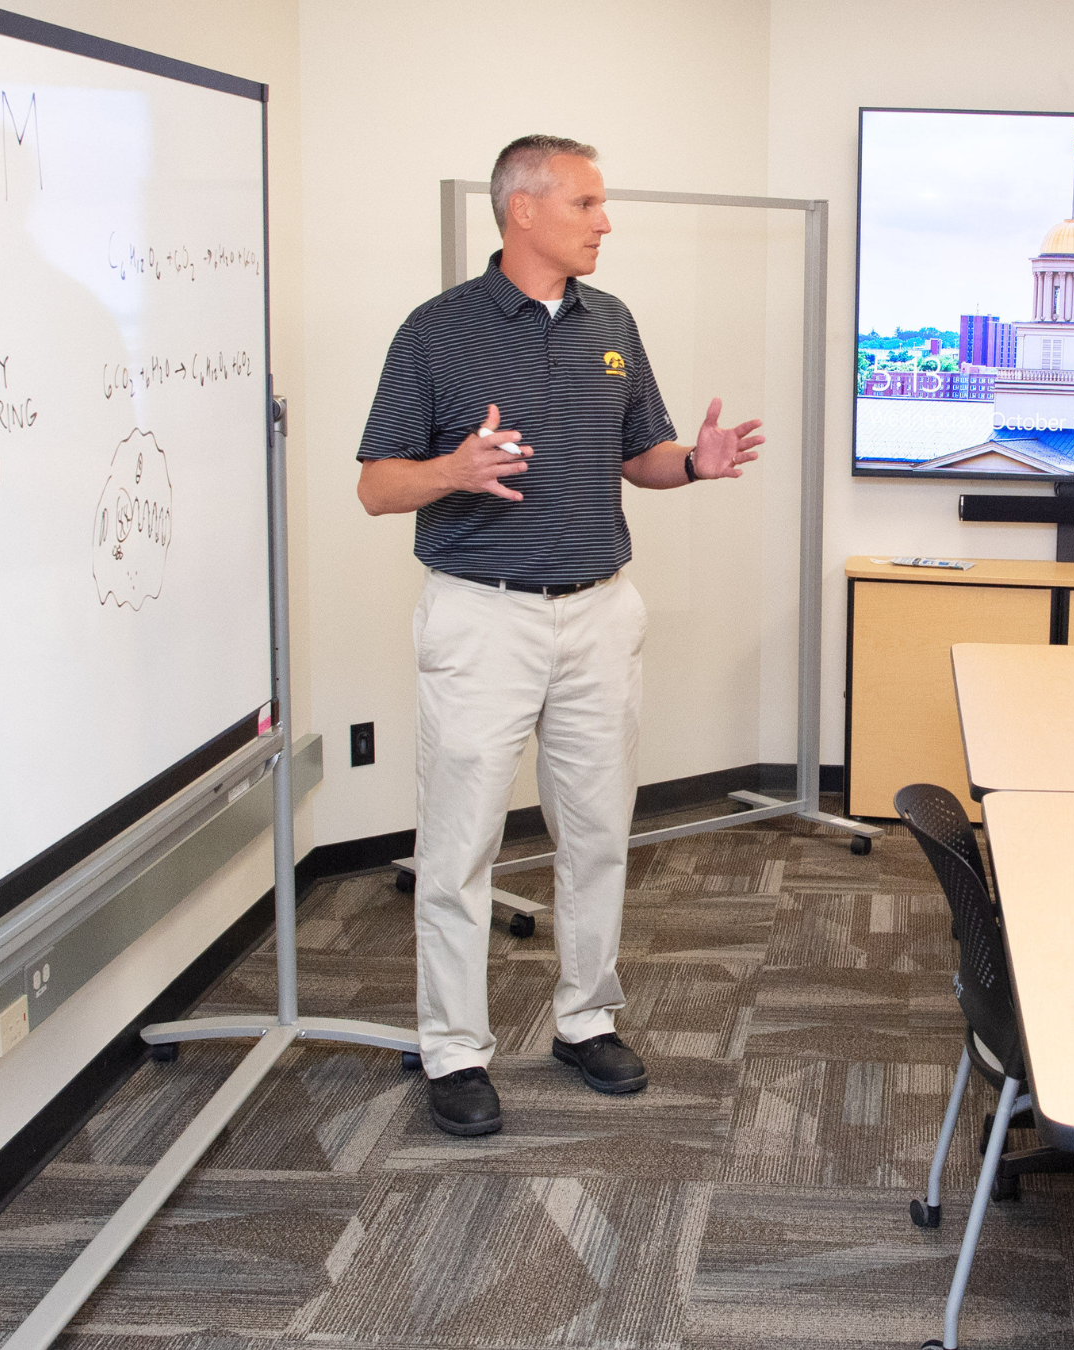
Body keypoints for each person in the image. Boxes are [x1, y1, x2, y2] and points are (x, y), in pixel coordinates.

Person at [355, 134, 765, 1137]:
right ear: (524, 212)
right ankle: (454, 1049)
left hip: (598, 613)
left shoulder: (611, 321)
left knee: (596, 833)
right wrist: (451, 471)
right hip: (480, 614)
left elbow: (643, 457)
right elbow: (375, 485)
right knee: (460, 845)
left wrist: (695, 464)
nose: (606, 220)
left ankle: (586, 1022)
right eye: (587, 203)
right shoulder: (436, 331)